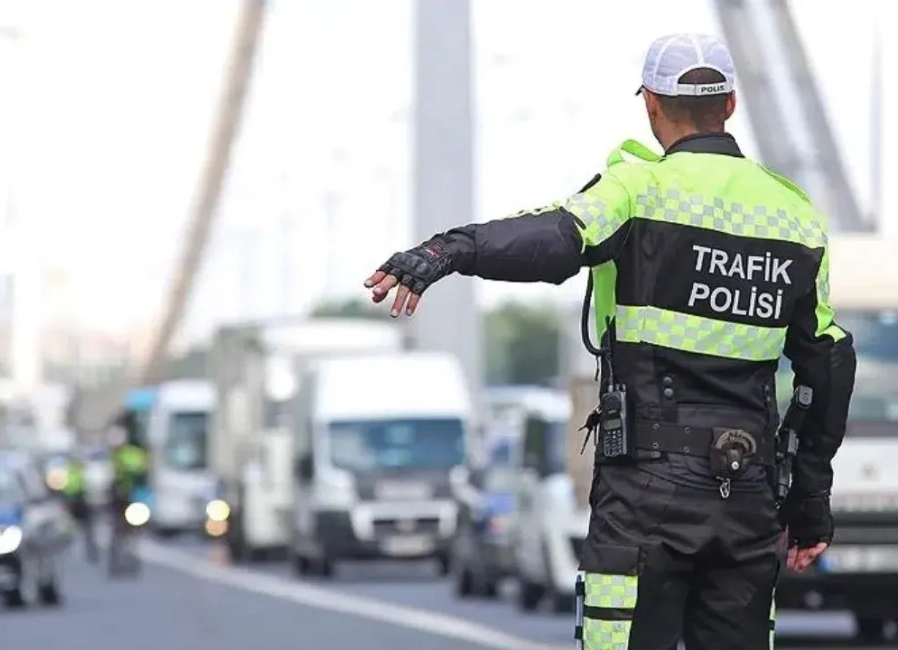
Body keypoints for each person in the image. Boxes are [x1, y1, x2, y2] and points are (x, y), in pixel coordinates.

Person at [364, 33, 856, 650]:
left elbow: (551, 239)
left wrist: (447, 251)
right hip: (747, 496)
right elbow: (829, 364)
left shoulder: (637, 189)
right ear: (730, 104)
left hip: (645, 497)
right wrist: (809, 501)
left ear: (651, 103)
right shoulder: (796, 217)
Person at [62, 452, 97, 563]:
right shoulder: (72, 472)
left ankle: (89, 550)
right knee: (77, 528)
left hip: (82, 501)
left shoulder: (80, 472)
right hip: (75, 501)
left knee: (87, 528)